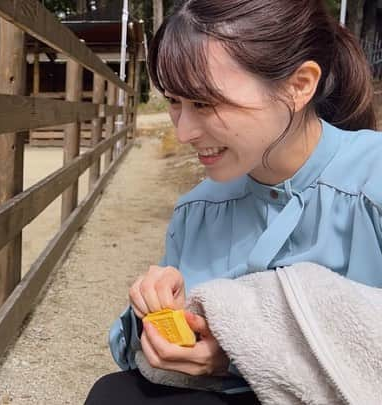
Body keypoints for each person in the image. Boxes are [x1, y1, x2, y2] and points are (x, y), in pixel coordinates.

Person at [85, 0, 382, 403]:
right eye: (175, 101)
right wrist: (152, 316)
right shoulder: (198, 210)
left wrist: (242, 356)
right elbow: (142, 352)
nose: (185, 131)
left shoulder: (372, 182)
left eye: (205, 102)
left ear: (299, 85)